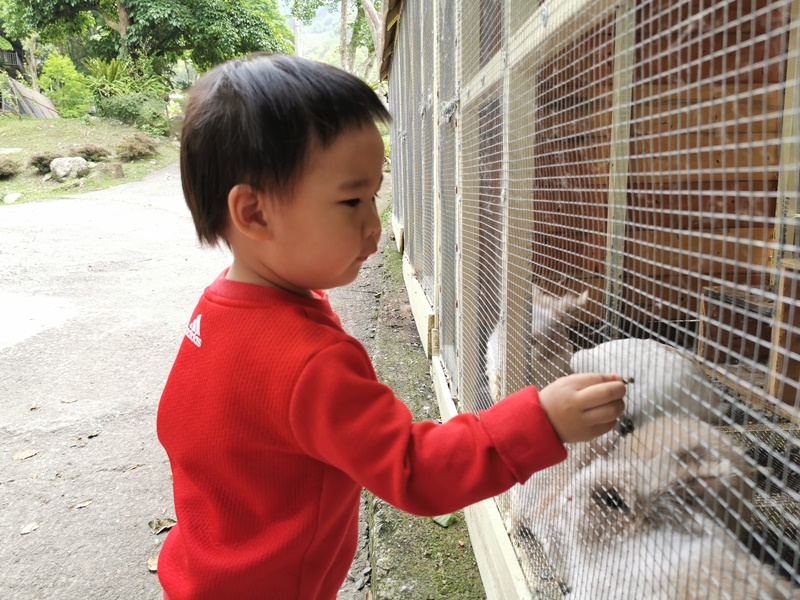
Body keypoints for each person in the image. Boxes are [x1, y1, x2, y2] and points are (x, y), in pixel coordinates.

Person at [156, 53, 626, 600]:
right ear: (255, 214)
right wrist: (542, 422)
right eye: (351, 200)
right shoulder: (310, 361)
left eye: (375, 194)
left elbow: (183, 428)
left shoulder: (216, 309)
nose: (373, 224)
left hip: (198, 577)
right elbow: (416, 471)